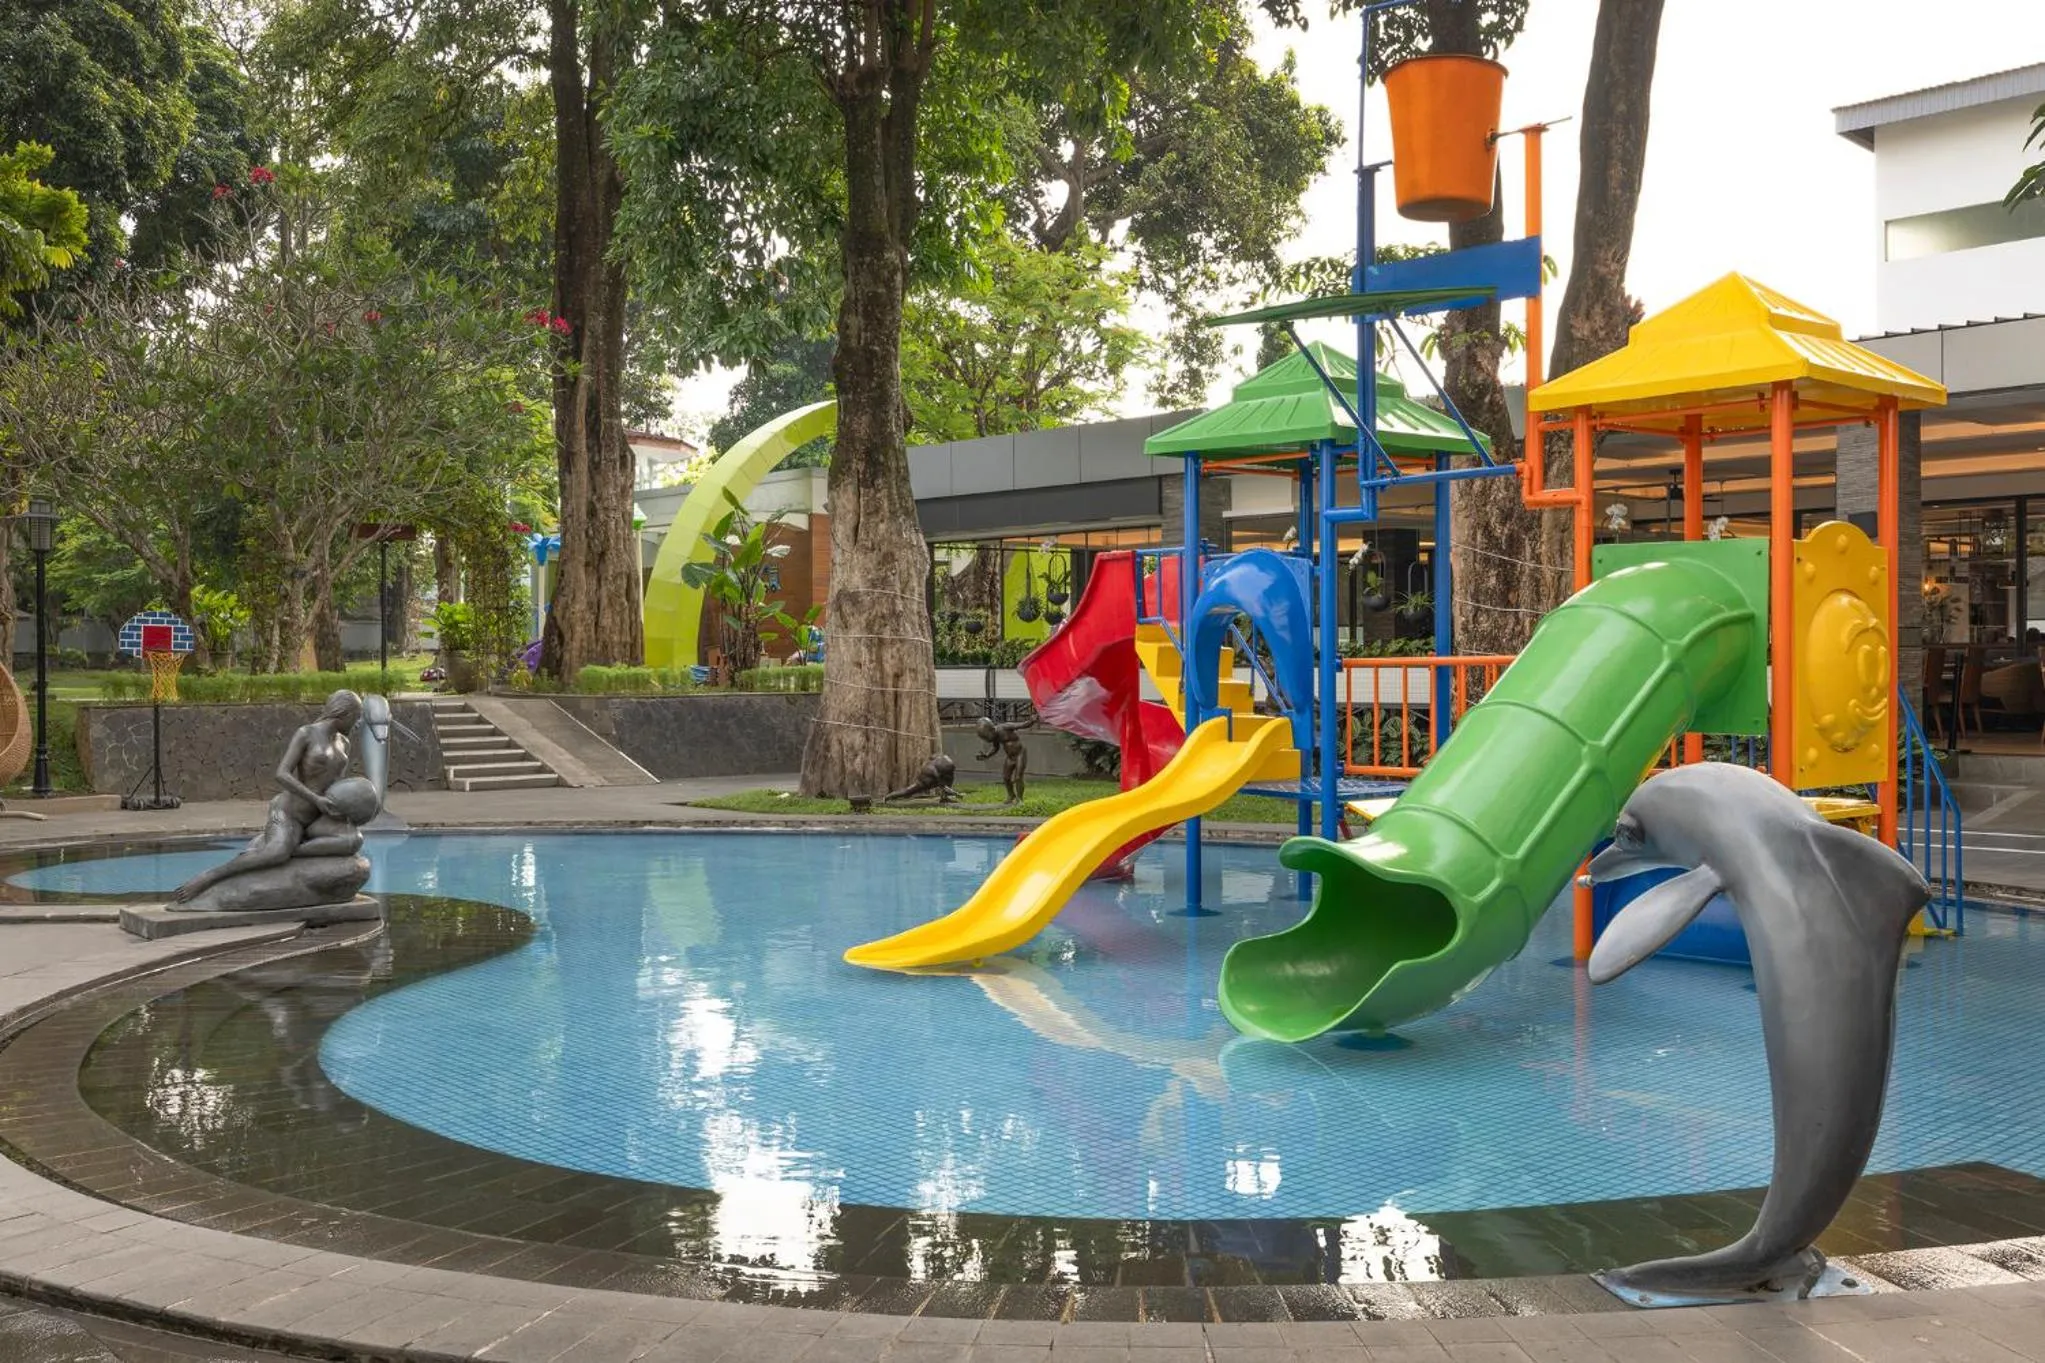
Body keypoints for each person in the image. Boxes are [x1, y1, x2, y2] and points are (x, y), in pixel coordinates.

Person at [170, 690, 368, 903]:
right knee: (277, 853)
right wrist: (315, 799)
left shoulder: (344, 743)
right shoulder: (306, 734)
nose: (356, 724)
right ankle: (209, 877)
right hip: (292, 812)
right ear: (344, 714)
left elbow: (337, 782)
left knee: (353, 841)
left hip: (320, 816)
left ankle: (291, 848)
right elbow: (281, 774)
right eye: (356, 718)